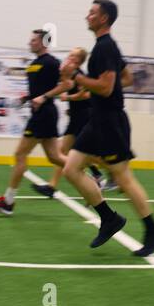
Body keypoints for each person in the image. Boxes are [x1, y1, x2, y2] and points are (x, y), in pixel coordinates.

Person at [58, 0, 154, 254]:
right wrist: (92, 83)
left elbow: (107, 88)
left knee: (123, 178)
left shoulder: (105, 48)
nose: (88, 15)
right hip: (96, 120)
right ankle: (109, 218)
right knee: (71, 168)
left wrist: (75, 76)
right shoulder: (104, 48)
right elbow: (126, 78)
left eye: (92, 12)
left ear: (104, 18)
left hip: (110, 122)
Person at [0, 30, 69, 215]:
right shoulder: (34, 64)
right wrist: (27, 98)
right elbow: (39, 88)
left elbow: (65, 85)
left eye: (34, 40)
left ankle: (8, 201)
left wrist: (43, 97)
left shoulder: (52, 62)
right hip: (40, 113)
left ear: (43, 43)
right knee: (54, 157)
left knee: (20, 154)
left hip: (43, 114)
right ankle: (89, 179)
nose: (29, 43)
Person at [34, 47, 105, 197]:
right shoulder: (71, 74)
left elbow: (86, 95)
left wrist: (68, 98)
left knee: (80, 153)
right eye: (70, 54)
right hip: (75, 117)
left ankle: (109, 171)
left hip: (83, 117)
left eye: (73, 55)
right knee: (63, 153)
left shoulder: (79, 75)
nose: (69, 57)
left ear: (79, 60)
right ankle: (52, 187)